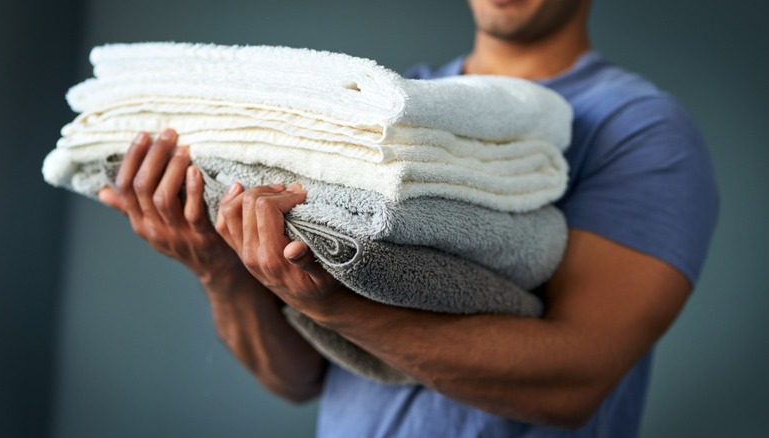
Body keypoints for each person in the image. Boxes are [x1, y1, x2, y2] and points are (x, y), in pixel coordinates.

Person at [98, 0, 719, 436]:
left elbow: (570, 384)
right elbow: (298, 379)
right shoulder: (392, 113)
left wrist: (334, 304)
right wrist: (219, 270)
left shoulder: (637, 127)